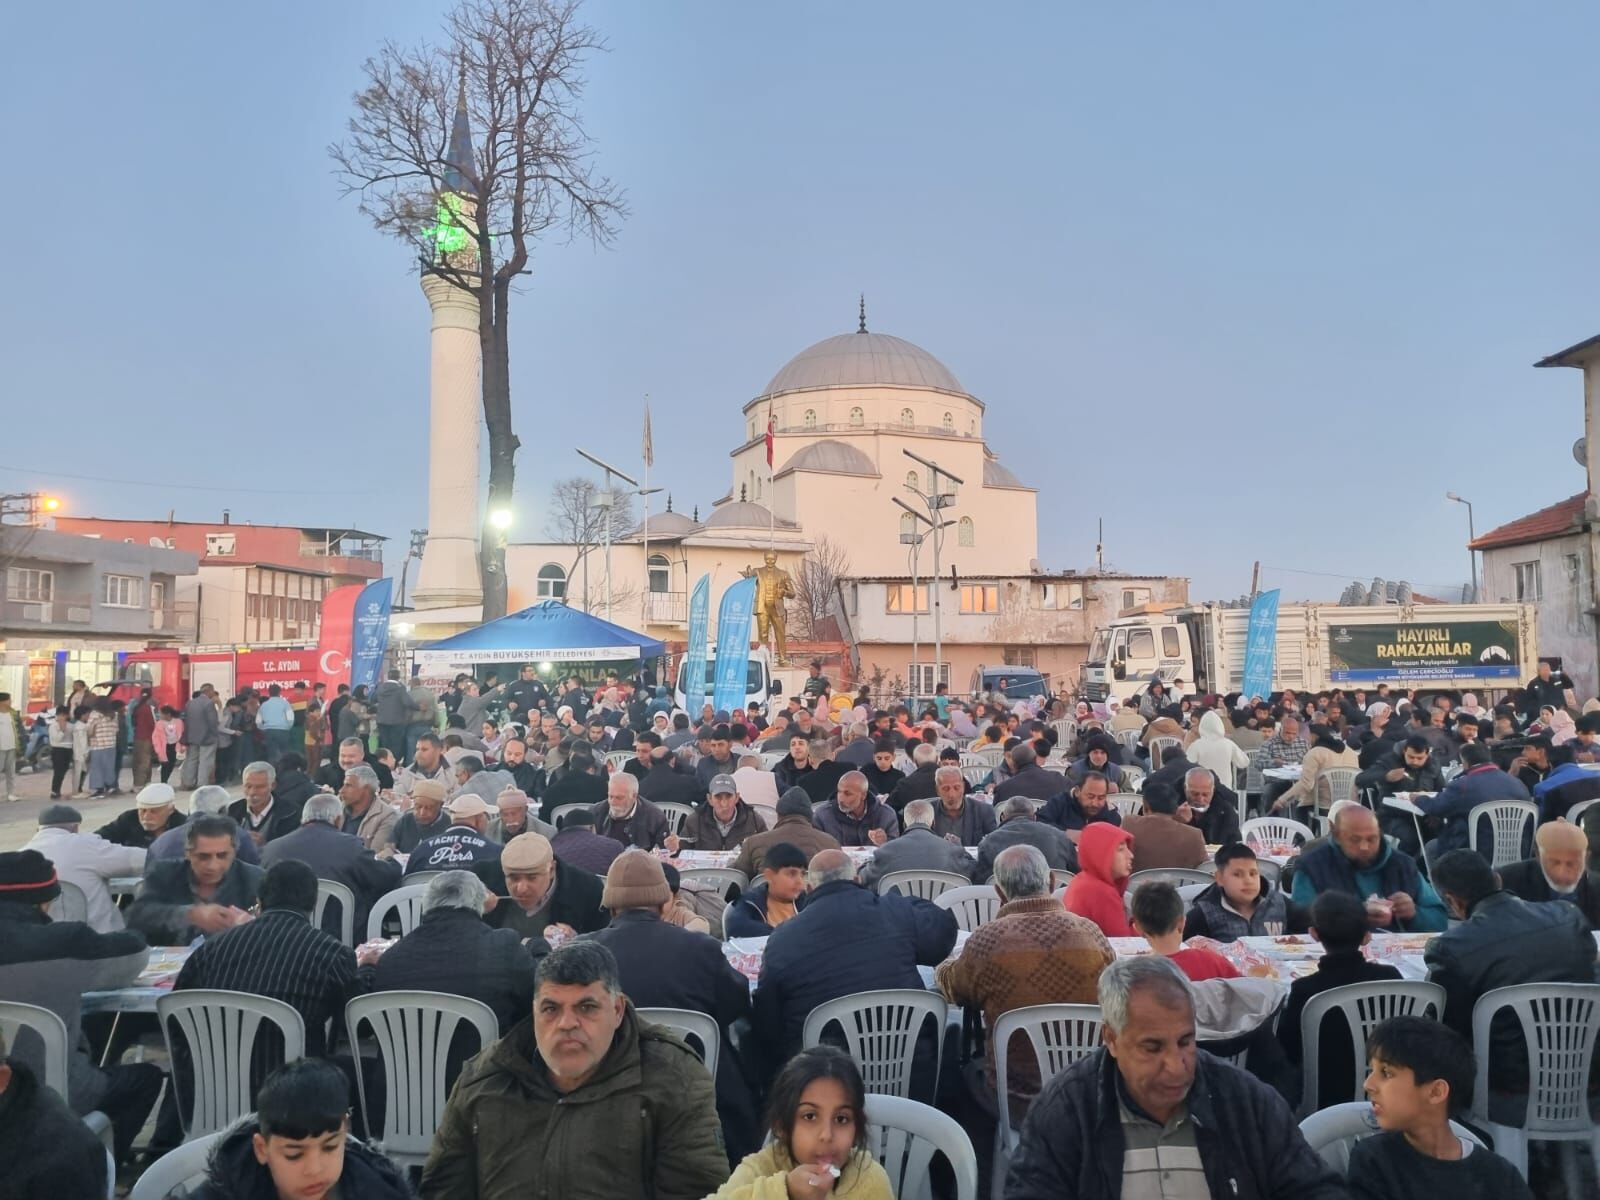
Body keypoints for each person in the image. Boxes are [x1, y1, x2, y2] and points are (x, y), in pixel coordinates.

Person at [1003, 956, 1347, 1200]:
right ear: (1111, 1039)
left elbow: (1314, 1187)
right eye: (1152, 1048)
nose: (1177, 1065)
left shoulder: (1245, 1101)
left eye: (1186, 1041)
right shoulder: (1068, 1108)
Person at [419, 939, 727, 1199]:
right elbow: (443, 1190)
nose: (566, 1024)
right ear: (534, 1012)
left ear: (617, 1010)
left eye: (587, 1007)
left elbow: (697, 1191)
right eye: (551, 1009)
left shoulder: (673, 1078)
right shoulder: (485, 1079)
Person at [587, 850, 758, 1158]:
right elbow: (736, 1004)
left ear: (610, 905)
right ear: (663, 901)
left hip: (604, 1094)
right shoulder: (701, 949)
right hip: (700, 1094)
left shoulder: (585, 954)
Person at [0, 850, 164, 1167]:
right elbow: (134, 952)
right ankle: (106, 1169)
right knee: (143, 1079)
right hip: (50, 1094)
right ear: (43, 901)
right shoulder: (65, 943)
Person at [936, 845, 1111, 1120]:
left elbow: (954, 989)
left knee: (961, 1067)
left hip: (1016, 1101)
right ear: (1052, 882)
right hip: (1087, 1096)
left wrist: (948, 963)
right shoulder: (1090, 933)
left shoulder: (987, 940)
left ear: (1000, 893)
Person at [753, 850, 957, 1070]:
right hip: (910, 1068)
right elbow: (942, 934)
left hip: (822, 1079)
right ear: (857, 880)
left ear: (810, 888)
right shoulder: (895, 911)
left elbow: (767, 1020)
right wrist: (904, 903)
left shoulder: (782, 939)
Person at [1424, 848, 1598, 1097]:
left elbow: (1448, 1029)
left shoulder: (1452, 948)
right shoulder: (1567, 916)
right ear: (1497, 879)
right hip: (1587, 1076)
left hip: (1510, 1088)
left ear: (1453, 901)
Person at [175, 860, 358, 1056]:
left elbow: (178, 1010)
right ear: (313, 903)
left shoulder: (211, 949)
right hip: (292, 1080)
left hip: (212, 1079)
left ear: (259, 901)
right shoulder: (331, 954)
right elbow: (353, 1020)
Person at [1344, 1016, 1534, 1200]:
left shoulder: (1499, 1177)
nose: (1368, 1084)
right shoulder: (1374, 1161)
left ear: (1436, 1092)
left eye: (1386, 1073)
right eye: (1372, 1071)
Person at [188, 1057, 411, 1200]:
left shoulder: (377, 1189)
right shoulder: (227, 1189)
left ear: (345, 1132)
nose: (314, 1169)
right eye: (294, 1155)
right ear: (261, 1149)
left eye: (330, 1147)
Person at [361, 870, 538, 1032]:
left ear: (426, 903)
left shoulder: (392, 959)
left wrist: (366, 970)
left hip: (400, 1066)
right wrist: (539, 948)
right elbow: (535, 1000)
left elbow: (365, 1026)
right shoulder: (504, 947)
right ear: (480, 903)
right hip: (486, 1064)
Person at [708, 1046, 893, 1200]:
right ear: (781, 1125)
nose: (827, 1135)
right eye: (810, 1116)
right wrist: (785, 1191)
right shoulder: (760, 1169)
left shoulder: (868, 1180)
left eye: (841, 1119)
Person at [1276, 890, 1403, 1111]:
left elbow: (1288, 1050)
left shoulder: (1305, 990)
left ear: (1314, 934)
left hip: (1325, 1097)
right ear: (1367, 936)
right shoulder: (1390, 977)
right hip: (1388, 1087)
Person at [261, 792, 401, 940]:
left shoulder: (272, 849)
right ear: (338, 820)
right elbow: (384, 877)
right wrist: (391, 859)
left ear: (303, 819)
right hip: (343, 936)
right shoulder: (350, 846)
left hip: (284, 935)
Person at [1290, 803, 1449, 932]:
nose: (1364, 847)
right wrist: (1354, 916)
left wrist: (1414, 913)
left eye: (1372, 839)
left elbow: (1440, 921)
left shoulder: (1402, 865)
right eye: (1354, 840)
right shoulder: (1312, 866)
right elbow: (1301, 921)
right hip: (1338, 955)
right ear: (1337, 835)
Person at [22, 802, 146, 933]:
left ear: (39, 829)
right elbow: (143, 859)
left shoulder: (22, 855)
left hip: (46, 940)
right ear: (75, 828)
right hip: (99, 938)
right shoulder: (87, 845)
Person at [475, 831, 609, 941]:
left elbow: (605, 944)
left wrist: (578, 940)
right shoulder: (481, 880)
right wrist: (473, 910)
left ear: (551, 870)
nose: (521, 888)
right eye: (513, 878)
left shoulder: (587, 889)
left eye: (532, 877)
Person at [1414, 742, 1533, 858]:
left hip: (1475, 852)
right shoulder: (1518, 783)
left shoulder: (1463, 785)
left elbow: (1436, 807)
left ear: (1464, 762)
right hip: (1518, 851)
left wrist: (1419, 798)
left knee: (1431, 847)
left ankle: (1439, 878)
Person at [1497, 818, 1600, 927]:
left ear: (1586, 858)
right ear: (1538, 856)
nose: (1562, 873)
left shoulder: (1596, 888)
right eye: (1555, 863)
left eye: (1571, 864)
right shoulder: (1509, 881)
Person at [1130, 880, 1240, 981]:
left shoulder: (1134, 977)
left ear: (1138, 929)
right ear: (1182, 923)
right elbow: (1244, 988)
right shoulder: (1214, 962)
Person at [1183, 843, 1293, 942]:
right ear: (1220, 878)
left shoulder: (1280, 904)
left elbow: (1306, 936)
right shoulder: (1204, 914)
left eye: (1253, 873)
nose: (1248, 881)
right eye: (1237, 874)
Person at [859, 798, 976, 887]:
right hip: (942, 913)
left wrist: (867, 861)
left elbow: (863, 878)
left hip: (898, 915)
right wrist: (961, 850)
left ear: (904, 825)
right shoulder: (952, 851)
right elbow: (973, 872)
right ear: (933, 823)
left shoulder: (886, 851)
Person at [732, 786, 841, 876]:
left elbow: (735, 877)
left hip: (767, 900)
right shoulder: (830, 843)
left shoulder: (753, 843)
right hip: (814, 901)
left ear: (779, 815)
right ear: (809, 817)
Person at [973, 795, 1076, 883]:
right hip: (1056, 901)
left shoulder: (988, 842)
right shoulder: (1061, 837)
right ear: (1034, 817)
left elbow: (982, 882)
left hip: (1006, 903)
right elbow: (1076, 872)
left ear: (1003, 817)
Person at [1061, 821, 1135, 937]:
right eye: (1121, 850)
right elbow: (1124, 944)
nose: (1130, 855)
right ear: (1101, 854)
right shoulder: (1102, 892)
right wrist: (1138, 926)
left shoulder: (1081, 879)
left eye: (1128, 848)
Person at [725, 841, 811, 936]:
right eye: (791, 874)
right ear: (769, 875)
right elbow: (736, 928)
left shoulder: (806, 902)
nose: (799, 881)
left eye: (802, 874)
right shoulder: (751, 903)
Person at [1121, 780, 1208, 872]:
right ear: (1175, 808)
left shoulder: (1129, 824)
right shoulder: (1194, 835)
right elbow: (1204, 869)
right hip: (1178, 886)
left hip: (1134, 885)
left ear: (1146, 806)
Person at [406, 793, 502, 875]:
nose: (487, 822)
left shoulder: (421, 850)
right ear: (479, 819)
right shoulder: (495, 852)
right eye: (487, 817)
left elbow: (406, 884)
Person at [669, 773, 763, 853]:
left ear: (737, 798)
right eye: (718, 797)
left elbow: (766, 850)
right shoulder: (694, 821)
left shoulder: (754, 820)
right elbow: (683, 852)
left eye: (729, 796)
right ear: (709, 799)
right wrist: (675, 846)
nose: (724, 803)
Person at [228, 760, 303, 848]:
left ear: (273, 786)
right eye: (248, 786)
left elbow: (292, 848)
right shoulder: (234, 810)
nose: (252, 792)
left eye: (259, 787)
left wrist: (266, 844)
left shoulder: (290, 813)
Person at [95, 780, 186, 848]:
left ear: (170, 810)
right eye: (142, 811)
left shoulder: (185, 826)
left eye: (154, 811)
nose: (146, 816)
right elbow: (97, 838)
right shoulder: (129, 819)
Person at [592, 769, 670, 849]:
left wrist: (672, 846)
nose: (613, 802)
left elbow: (664, 850)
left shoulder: (654, 817)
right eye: (610, 796)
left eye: (619, 798)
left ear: (634, 796)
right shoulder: (596, 812)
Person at [1038, 770, 1122, 844]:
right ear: (1077, 791)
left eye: (1101, 798)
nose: (1095, 803)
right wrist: (1066, 833)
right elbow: (1041, 822)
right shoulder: (1060, 802)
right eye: (1090, 797)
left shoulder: (1110, 813)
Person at [339, 762, 399, 854]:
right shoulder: (337, 809)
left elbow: (374, 856)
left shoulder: (387, 816)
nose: (341, 790)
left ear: (366, 789)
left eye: (348, 786)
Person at [930, 765, 998, 844]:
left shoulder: (984, 811)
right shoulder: (929, 812)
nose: (952, 794)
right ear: (937, 790)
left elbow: (993, 844)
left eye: (956, 787)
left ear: (963, 787)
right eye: (946, 789)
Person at [1175, 766, 1242, 845]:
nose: (1200, 799)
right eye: (1194, 794)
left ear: (1213, 790)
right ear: (1185, 788)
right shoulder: (1171, 804)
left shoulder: (1225, 811)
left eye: (1205, 794)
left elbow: (1234, 842)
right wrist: (1177, 821)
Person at [393, 778, 452, 853]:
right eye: (418, 806)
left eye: (428, 808)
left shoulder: (449, 825)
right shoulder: (406, 820)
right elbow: (391, 844)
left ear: (440, 805)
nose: (422, 813)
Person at [992, 741, 1061, 805]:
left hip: (1018, 817)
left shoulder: (1003, 789)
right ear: (1035, 759)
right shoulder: (1058, 779)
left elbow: (996, 812)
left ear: (1014, 765)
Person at [180, 686, 220, 789]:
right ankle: (202, 784)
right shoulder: (209, 703)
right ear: (209, 691)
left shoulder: (190, 703)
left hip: (192, 736)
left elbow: (186, 719)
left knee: (191, 760)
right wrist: (215, 735)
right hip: (207, 737)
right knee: (205, 761)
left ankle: (188, 782)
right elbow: (212, 722)